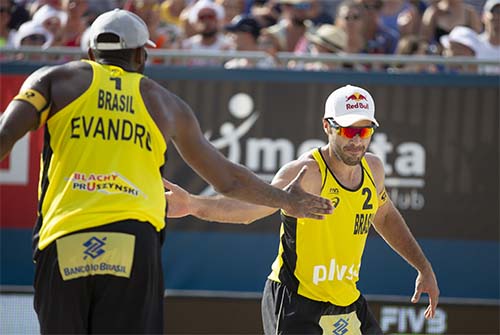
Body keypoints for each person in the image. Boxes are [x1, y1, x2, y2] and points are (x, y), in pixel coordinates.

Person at [0, 8, 332, 334]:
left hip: (66, 233)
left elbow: (4, 136)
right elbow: (228, 180)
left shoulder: (54, 80)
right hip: (132, 239)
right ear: (141, 56)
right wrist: (286, 200)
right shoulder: (164, 103)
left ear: (90, 51)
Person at [164, 84, 440, 334]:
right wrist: (193, 204)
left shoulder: (374, 169)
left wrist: (423, 267)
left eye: (364, 130)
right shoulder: (307, 172)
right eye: (348, 130)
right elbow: (251, 209)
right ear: (327, 127)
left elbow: (385, 215)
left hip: (346, 300)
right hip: (297, 302)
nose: (357, 140)